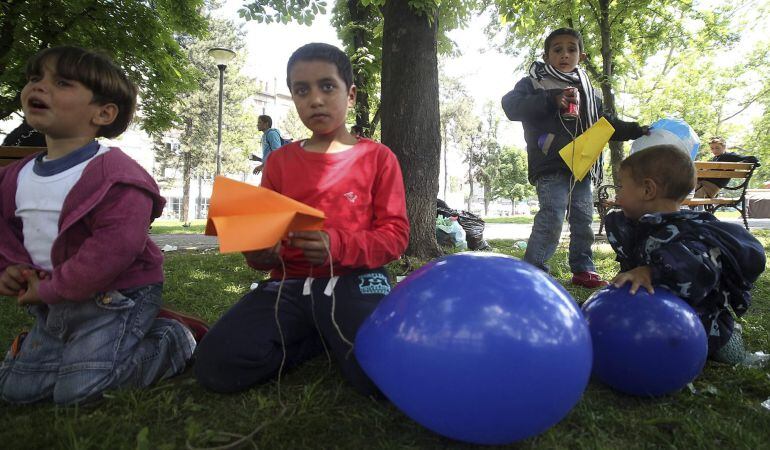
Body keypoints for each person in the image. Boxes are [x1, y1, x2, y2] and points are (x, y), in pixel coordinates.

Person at [194, 43, 409, 396]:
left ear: (350, 95)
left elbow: (396, 235)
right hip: (289, 286)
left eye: (327, 86)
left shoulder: (378, 158)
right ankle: (317, 338)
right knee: (217, 365)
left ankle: (332, 335)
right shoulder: (279, 162)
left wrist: (336, 245)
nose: (315, 99)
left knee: (382, 378)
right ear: (293, 97)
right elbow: (262, 245)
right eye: (301, 90)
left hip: (357, 280)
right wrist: (261, 253)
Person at [0, 46, 206, 405]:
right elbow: (5, 232)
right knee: (16, 391)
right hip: (54, 299)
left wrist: (50, 290)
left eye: (62, 82)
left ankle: (172, 338)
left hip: (118, 295)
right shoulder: (15, 177)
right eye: (36, 78)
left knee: (80, 392)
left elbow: (114, 250)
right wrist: (9, 268)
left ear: (104, 112)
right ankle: (68, 353)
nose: (40, 87)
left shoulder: (116, 175)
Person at [501, 27, 648, 288]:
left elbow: (606, 124)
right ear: (547, 56)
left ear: (581, 56)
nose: (565, 54)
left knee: (582, 217)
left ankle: (583, 268)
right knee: (553, 213)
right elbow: (511, 106)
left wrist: (636, 130)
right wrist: (551, 100)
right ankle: (534, 270)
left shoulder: (590, 92)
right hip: (550, 162)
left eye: (572, 49)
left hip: (582, 164)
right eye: (557, 49)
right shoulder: (534, 82)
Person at [607, 145, 767, 366]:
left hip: (701, 323)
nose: (617, 195)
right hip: (651, 318)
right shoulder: (640, 227)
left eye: (622, 187)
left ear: (647, 190)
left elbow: (696, 266)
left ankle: (737, 348)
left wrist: (651, 271)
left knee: (726, 354)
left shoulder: (689, 231)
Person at [694, 136, 759, 199]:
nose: (714, 150)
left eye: (717, 148)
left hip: (708, 188)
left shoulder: (729, 156)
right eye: (712, 148)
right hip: (703, 186)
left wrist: (740, 164)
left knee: (686, 187)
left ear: (724, 147)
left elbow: (752, 158)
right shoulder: (716, 158)